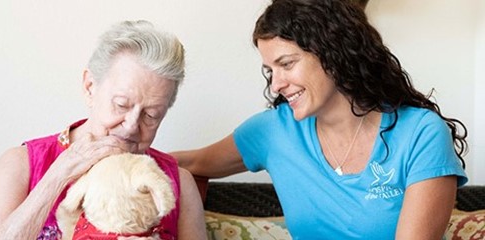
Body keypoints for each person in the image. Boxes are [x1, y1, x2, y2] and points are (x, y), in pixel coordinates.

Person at [172, 0, 468, 239]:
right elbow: (188, 165)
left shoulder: (421, 134)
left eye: (286, 64)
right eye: (270, 70)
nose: (276, 84)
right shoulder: (274, 130)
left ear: (333, 53)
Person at [0, 20, 206, 240]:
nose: (131, 126)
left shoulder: (178, 183)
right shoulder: (21, 163)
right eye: (121, 105)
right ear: (89, 87)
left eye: (151, 115)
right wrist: (58, 175)